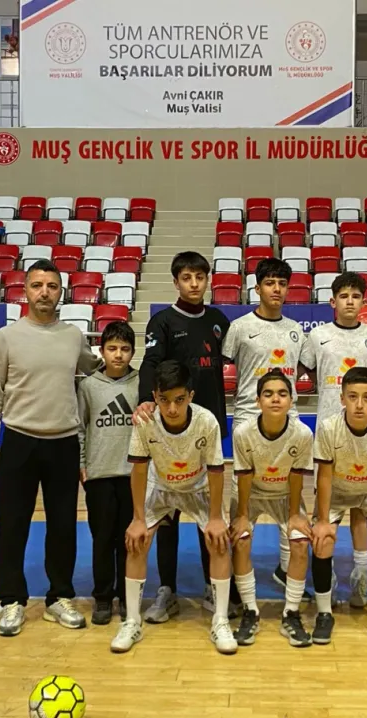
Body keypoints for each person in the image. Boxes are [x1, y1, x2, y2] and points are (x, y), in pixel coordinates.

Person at [0, 260, 102, 637]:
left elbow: (97, 368)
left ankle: (59, 597)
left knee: (63, 526)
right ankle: (12, 600)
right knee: (12, 525)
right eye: (37, 285)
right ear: (25, 291)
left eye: (51, 285)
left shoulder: (73, 336)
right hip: (19, 441)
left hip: (64, 442)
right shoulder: (7, 337)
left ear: (60, 291)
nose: (44, 292)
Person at [134, 251, 236, 623]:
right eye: (187, 278)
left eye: (200, 277)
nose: (194, 284)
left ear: (207, 280)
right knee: (168, 515)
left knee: (209, 513)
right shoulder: (162, 322)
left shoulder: (218, 321)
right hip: (171, 429)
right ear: (176, 282)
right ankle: (167, 590)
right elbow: (149, 363)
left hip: (208, 430)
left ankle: (212, 585)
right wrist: (147, 400)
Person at [111, 360, 235, 655]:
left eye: (179, 400)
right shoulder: (145, 422)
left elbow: (216, 471)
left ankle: (220, 620)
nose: (172, 408)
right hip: (161, 487)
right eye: (164, 400)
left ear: (190, 396)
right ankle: (132, 621)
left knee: (219, 541)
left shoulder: (207, 421)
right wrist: (137, 518)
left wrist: (216, 518)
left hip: (198, 487)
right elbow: (139, 470)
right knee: (137, 541)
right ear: (155, 396)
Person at [298, 272, 367, 609]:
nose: (350, 301)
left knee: (361, 507)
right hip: (329, 433)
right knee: (325, 509)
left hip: (364, 433)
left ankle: (360, 576)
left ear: (364, 301)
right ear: (333, 301)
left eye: (356, 296)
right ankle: (329, 577)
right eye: (344, 296)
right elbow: (305, 371)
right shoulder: (318, 335)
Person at [221, 258, 308, 592]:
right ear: (257, 288)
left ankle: (287, 570)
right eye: (270, 283)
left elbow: (305, 370)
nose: (276, 289)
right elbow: (221, 366)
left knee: (290, 494)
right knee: (243, 495)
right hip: (247, 417)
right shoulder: (240, 327)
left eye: (282, 284)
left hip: (289, 421)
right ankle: (237, 574)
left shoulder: (296, 330)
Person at [310, 367, 367, 647]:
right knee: (323, 541)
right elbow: (323, 476)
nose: (359, 404)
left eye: (366, 397)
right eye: (352, 397)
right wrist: (323, 521)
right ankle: (324, 614)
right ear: (342, 399)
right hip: (337, 490)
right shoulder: (329, 428)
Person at [229, 371, 315, 647]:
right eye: (268, 394)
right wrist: (242, 516)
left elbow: (297, 476)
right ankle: (250, 611)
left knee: (299, 542)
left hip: (285, 494)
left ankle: (291, 613)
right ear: (258, 401)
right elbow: (244, 476)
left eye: (282, 393)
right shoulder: (243, 432)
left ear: (291, 400)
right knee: (241, 540)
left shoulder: (302, 433)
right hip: (251, 493)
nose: (275, 399)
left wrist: (294, 515)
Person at [77, 321, 138, 626]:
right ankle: (102, 597)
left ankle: (127, 596)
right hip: (99, 475)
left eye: (125, 349)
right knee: (102, 540)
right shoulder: (88, 386)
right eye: (112, 348)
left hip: (132, 476)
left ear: (133, 353)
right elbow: (80, 427)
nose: (118, 355)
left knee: (129, 541)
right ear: (101, 351)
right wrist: (81, 463)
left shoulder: (141, 384)